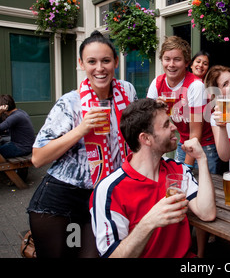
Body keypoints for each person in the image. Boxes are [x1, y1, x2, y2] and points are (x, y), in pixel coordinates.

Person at [27, 31, 137, 258]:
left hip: (101, 197)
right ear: (81, 64)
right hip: (61, 201)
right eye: (92, 61)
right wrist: (81, 130)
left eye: (106, 60)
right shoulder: (70, 102)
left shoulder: (126, 91)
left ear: (116, 61)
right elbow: (38, 158)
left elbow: (134, 133)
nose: (100, 68)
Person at [90, 98, 216, 257]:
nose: (174, 127)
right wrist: (149, 223)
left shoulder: (177, 169)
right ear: (146, 138)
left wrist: (202, 159)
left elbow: (207, 213)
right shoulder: (109, 190)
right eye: (166, 124)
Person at [147, 36, 218, 174]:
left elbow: (196, 132)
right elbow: (146, 120)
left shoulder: (195, 86)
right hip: (183, 141)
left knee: (202, 187)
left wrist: (187, 168)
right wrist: (157, 110)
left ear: (186, 63)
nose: (171, 64)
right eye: (167, 59)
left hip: (204, 145)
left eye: (177, 59)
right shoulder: (157, 83)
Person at [0, 94, 35, 159]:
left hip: (21, 148)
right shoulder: (19, 112)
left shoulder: (15, 116)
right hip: (25, 146)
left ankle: (7, 169)